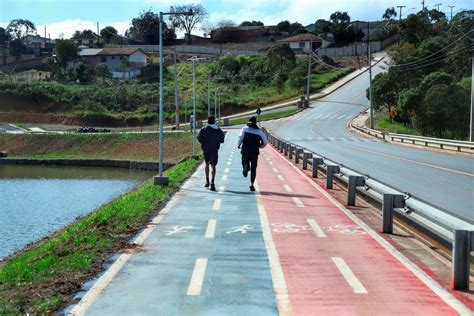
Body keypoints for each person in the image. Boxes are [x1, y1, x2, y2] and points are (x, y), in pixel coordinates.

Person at [237, 116, 268, 191]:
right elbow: (265, 141)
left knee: (244, 162)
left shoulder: (244, 129)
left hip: (245, 150)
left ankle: (246, 167)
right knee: (254, 169)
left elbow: (240, 137)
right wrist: (261, 146)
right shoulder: (259, 132)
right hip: (254, 152)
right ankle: (251, 185)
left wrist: (238, 144)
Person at [197, 116, 225, 191]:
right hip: (214, 149)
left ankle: (207, 181)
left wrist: (204, 143)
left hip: (206, 149)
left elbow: (199, 138)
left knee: (206, 164)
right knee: (213, 166)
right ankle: (212, 181)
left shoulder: (203, 129)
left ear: (207, 121)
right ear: (214, 121)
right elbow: (222, 140)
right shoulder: (218, 130)